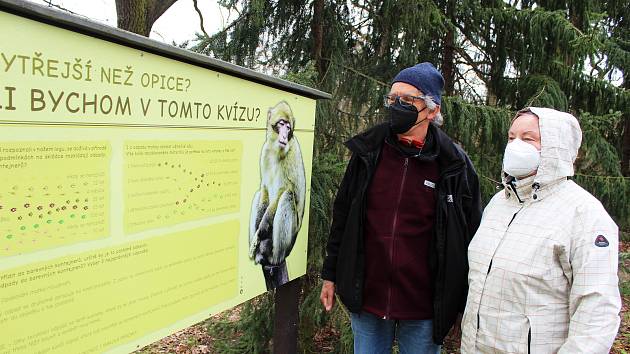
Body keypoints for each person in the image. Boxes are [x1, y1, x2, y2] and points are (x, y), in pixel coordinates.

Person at [320, 62, 483, 353]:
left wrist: (462, 301)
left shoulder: (454, 165)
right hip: (368, 299)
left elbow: (471, 236)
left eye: (408, 100)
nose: (397, 105)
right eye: (393, 98)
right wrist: (331, 274)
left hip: (424, 307)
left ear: (432, 110)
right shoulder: (368, 152)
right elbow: (343, 216)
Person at [461, 107, 621, 353]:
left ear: (556, 147)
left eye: (528, 139)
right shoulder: (498, 203)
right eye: (511, 137)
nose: (515, 145)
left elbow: (597, 311)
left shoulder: (584, 213)